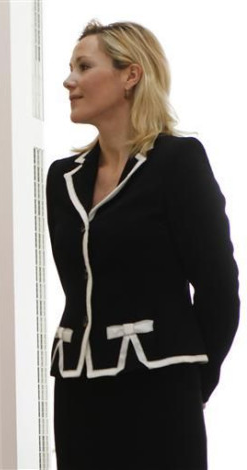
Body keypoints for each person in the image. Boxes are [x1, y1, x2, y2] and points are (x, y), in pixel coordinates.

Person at [47, 20, 239, 469]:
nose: (68, 80)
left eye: (83, 66)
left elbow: (218, 290)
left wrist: (191, 383)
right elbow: (76, 285)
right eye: (70, 67)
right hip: (77, 390)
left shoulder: (178, 162)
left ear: (130, 75)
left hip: (160, 392)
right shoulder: (62, 178)